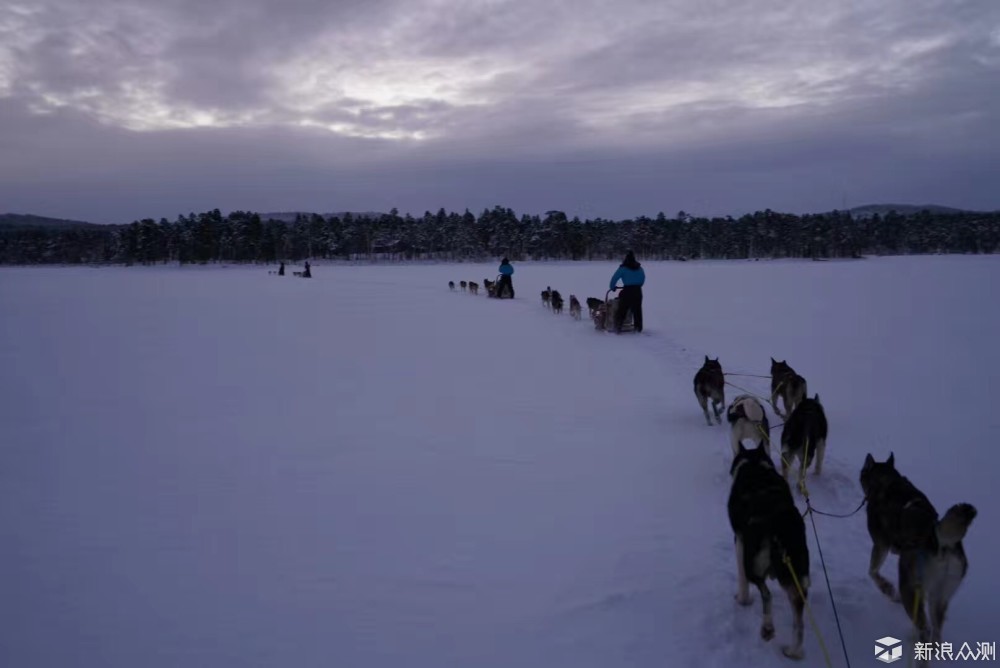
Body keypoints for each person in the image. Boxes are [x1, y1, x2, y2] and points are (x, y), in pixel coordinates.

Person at [609, 250, 644, 333]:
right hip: (638, 290)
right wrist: (637, 285)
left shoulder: (623, 268)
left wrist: (612, 287)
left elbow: (614, 278)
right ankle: (638, 328)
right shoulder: (639, 268)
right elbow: (642, 279)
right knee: (637, 310)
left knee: (622, 309)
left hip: (627, 291)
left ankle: (618, 327)